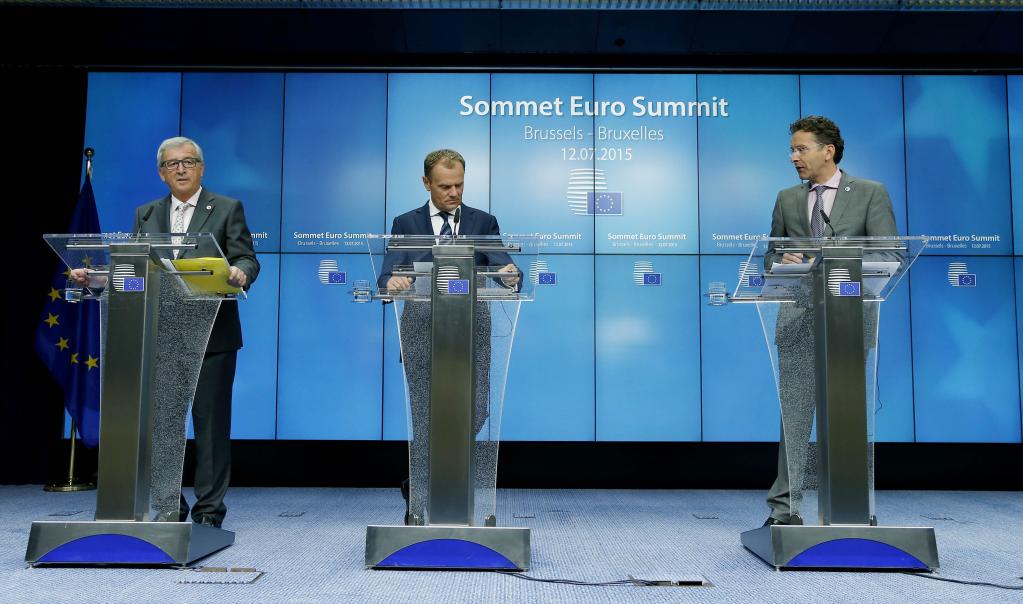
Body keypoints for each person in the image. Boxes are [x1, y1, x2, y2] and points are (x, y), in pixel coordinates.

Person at [71, 136, 258, 528]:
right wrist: (98, 278)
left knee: (210, 428)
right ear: (161, 173)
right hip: (161, 335)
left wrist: (240, 272)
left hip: (212, 337)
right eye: (172, 164)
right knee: (163, 426)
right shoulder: (146, 213)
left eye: (188, 162)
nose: (181, 169)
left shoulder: (227, 208)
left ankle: (209, 513)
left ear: (201, 168)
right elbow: (134, 269)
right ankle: (170, 505)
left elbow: (245, 257)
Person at [763, 116, 897, 526]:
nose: (793, 157)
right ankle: (785, 509)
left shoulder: (870, 193)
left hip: (847, 323)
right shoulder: (787, 198)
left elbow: (889, 255)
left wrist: (836, 262)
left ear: (828, 151)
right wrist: (782, 259)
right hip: (797, 322)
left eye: (801, 149)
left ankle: (852, 507)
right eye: (792, 150)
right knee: (794, 419)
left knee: (846, 419)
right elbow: (769, 254)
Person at [379, 149, 519, 525]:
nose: (453, 193)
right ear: (427, 183)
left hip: (472, 332)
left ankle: (420, 482)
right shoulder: (406, 222)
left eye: (459, 185)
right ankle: (424, 500)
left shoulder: (482, 221)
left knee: (476, 411)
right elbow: (387, 273)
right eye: (445, 186)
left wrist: (509, 274)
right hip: (421, 332)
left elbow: (502, 264)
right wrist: (392, 282)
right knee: (426, 419)